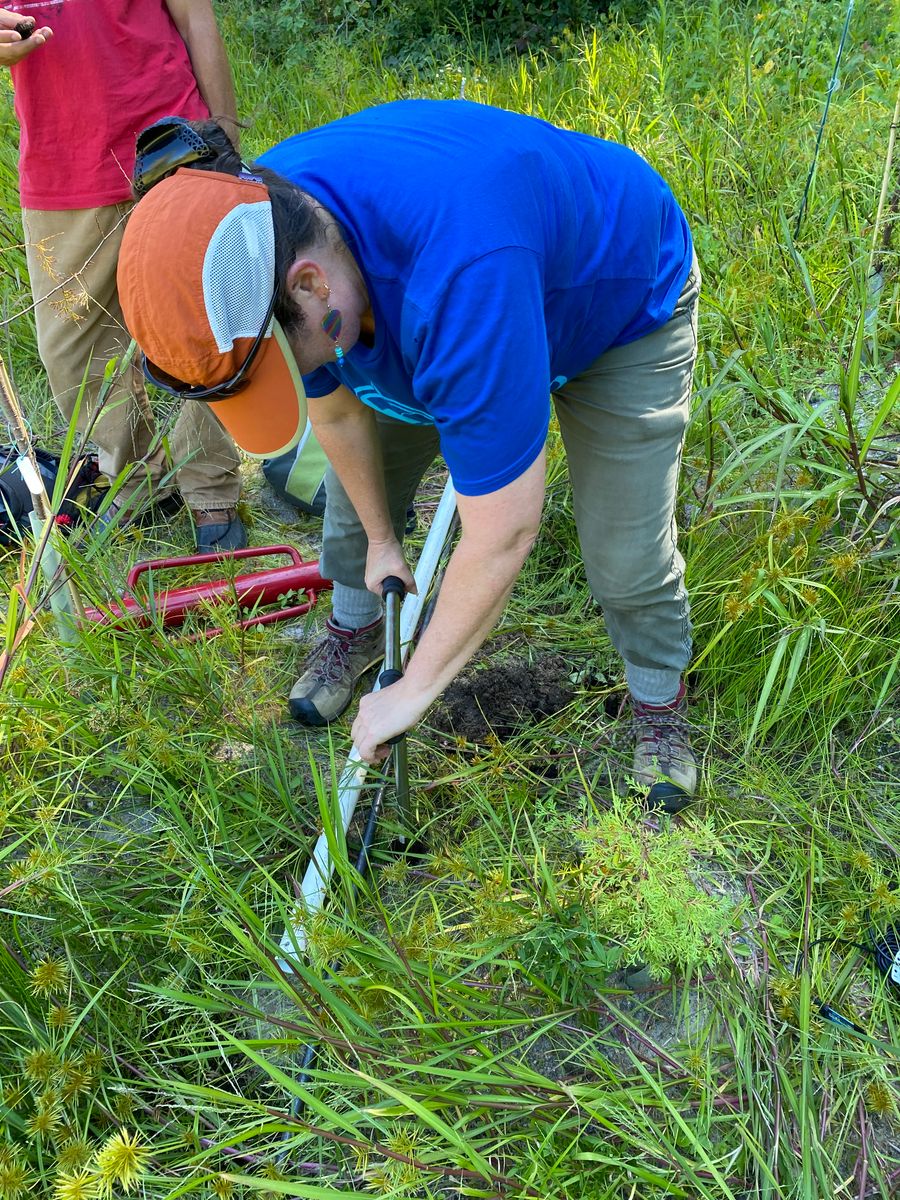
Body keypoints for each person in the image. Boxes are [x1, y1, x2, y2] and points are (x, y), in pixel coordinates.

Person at [117, 100, 702, 811]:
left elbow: (504, 529)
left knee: (625, 553)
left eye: (279, 367)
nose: (291, 384)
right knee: (353, 509)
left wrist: (417, 690)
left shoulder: (458, 278)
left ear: (311, 286)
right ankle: (354, 628)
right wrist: (382, 539)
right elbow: (332, 402)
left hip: (616, 310)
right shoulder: (267, 225)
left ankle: (658, 704)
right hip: (441, 297)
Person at [0, 1, 246, 550]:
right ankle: (140, 481)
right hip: (60, 166)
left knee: (207, 324)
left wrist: (223, 132)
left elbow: (193, 14)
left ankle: (211, 487)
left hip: (168, 143)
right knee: (70, 351)